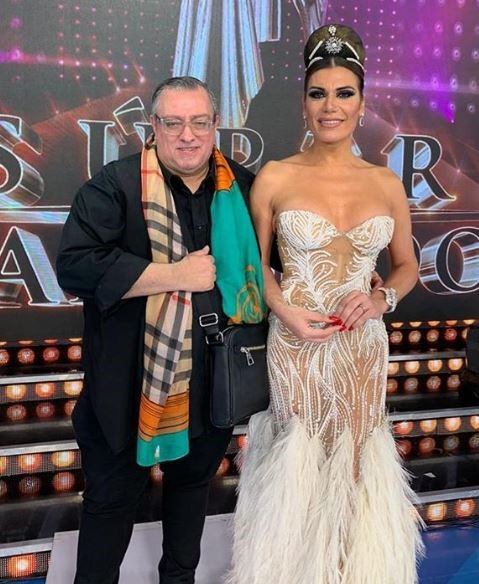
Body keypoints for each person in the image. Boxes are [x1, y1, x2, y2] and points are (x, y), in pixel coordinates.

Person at [228, 25, 424, 584]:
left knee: (356, 469)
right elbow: (253, 269)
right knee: (298, 471)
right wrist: (283, 309)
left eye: (343, 94)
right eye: (318, 94)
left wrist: (381, 297)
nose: (330, 106)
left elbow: (407, 265)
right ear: (304, 103)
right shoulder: (276, 177)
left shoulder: (385, 183)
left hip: (362, 350)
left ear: (362, 103)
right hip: (297, 345)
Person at [56, 76, 265, 584]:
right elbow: (75, 266)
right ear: (153, 126)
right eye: (173, 123)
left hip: (212, 387)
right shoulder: (115, 186)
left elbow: (282, 262)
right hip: (127, 389)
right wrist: (174, 276)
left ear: (216, 125)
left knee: (191, 495)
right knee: (110, 504)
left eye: (198, 122)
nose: (187, 135)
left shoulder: (243, 188)